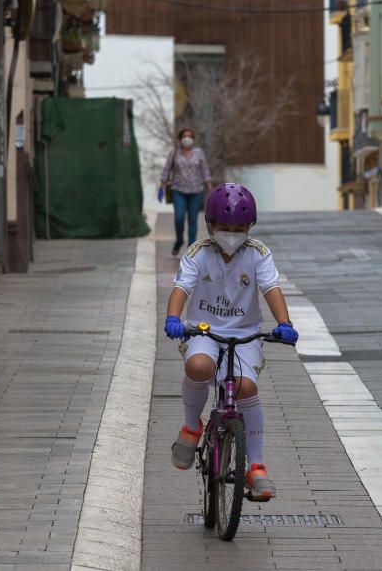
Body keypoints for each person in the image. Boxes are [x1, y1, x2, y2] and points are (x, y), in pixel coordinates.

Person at [163, 183, 298, 501]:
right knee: (198, 367)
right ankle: (191, 428)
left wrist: (284, 324)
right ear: (210, 225)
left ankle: (257, 467)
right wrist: (173, 318)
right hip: (203, 332)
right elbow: (182, 287)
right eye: (225, 228)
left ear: (250, 227)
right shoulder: (199, 252)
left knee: (245, 387)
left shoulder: (258, 254)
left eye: (240, 228)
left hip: (245, 334)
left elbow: (271, 288)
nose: (232, 234)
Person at [159, 129, 213, 256]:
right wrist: (161, 185)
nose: (187, 139)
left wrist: (210, 188)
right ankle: (178, 241)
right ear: (180, 139)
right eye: (184, 136)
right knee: (179, 217)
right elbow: (167, 169)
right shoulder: (174, 153)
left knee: (192, 220)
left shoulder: (199, 153)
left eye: (189, 136)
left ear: (193, 139)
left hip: (196, 191)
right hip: (178, 190)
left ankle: (191, 248)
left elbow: (205, 170)